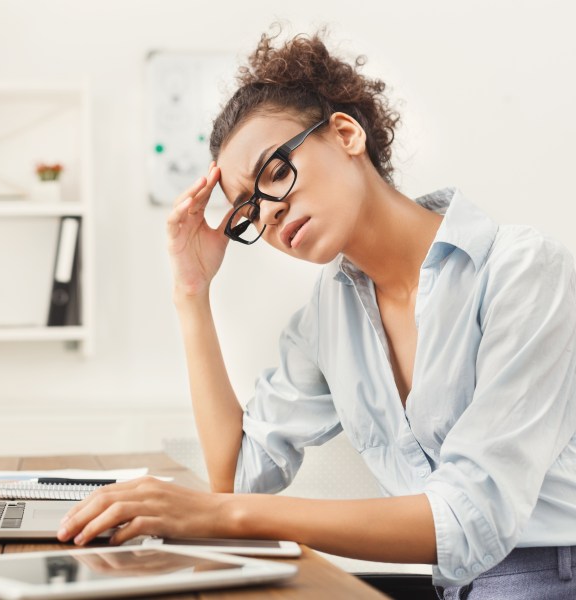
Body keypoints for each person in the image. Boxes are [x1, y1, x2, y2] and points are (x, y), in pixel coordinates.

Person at [57, 29, 576, 598]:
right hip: (455, 586)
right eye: (248, 212)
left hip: (549, 575)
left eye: (277, 171)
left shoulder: (522, 270)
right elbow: (238, 475)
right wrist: (191, 292)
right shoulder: (329, 317)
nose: (270, 213)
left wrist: (219, 517)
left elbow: (474, 513)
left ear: (346, 134)